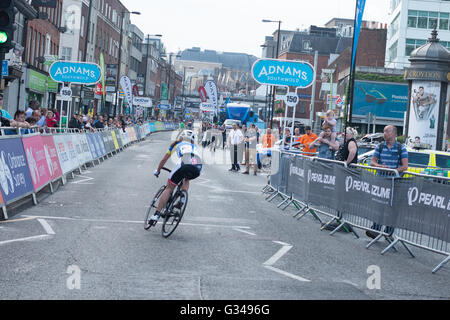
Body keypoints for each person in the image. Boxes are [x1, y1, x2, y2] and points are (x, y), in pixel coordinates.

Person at [149, 133, 202, 224]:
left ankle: (156, 215)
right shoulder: (195, 147)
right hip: (198, 167)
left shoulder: (176, 144)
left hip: (184, 164)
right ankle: (182, 198)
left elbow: (164, 160)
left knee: (169, 188)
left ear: (181, 138)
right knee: (187, 178)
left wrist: (158, 171)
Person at [367, 125, 408, 239]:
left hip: (395, 182)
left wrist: (393, 171)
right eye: (384, 131)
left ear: (394, 134)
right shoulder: (380, 146)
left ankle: (389, 232)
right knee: (379, 205)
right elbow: (373, 162)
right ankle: (375, 229)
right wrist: (380, 166)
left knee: (392, 207)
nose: (385, 134)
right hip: (381, 181)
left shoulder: (401, 148)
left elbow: (405, 166)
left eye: (387, 131)